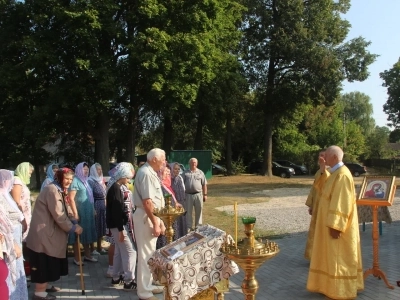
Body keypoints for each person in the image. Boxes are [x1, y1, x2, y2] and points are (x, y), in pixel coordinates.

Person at [306, 145, 364, 299]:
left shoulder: (342, 175)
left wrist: (336, 225)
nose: (325, 158)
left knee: (339, 257)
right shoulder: (334, 173)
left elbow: (342, 202)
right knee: (330, 257)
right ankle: (328, 286)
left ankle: (340, 290)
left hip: (337, 226)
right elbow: (319, 187)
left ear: (335, 157)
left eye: (327, 156)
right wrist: (322, 166)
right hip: (327, 223)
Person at [26, 168, 83, 300]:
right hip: (44, 234)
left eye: (70, 179)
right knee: (44, 261)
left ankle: (46, 285)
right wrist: (73, 228)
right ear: (59, 177)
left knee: (50, 261)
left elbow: (66, 208)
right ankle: (39, 292)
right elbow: (59, 214)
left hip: (49, 233)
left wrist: (74, 220)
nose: (69, 181)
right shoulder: (52, 190)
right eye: (66, 178)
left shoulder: (60, 190)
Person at [133, 148, 166, 300]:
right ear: (154, 159)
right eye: (163, 159)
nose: (164, 162)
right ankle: (144, 292)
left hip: (150, 216)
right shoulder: (146, 173)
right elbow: (147, 202)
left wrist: (159, 221)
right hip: (146, 217)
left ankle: (148, 285)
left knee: (150, 254)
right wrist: (155, 223)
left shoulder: (150, 172)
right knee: (146, 255)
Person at [106, 162, 137, 290]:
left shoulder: (114, 187)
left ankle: (116, 277)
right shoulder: (117, 188)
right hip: (118, 226)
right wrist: (120, 230)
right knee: (130, 252)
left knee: (119, 251)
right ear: (122, 175)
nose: (129, 179)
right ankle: (129, 281)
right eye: (128, 177)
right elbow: (117, 211)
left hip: (115, 225)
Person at [0, 169, 27, 300]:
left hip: (14, 234)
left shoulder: (6, 195)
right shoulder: (0, 197)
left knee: (17, 266)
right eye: (8, 180)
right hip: (8, 237)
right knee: (10, 267)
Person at [67, 162, 97, 265]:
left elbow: (90, 197)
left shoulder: (86, 181)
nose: (86, 171)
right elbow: (70, 198)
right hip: (80, 212)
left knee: (87, 233)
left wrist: (93, 209)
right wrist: (75, 213)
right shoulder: (75, 181)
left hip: (88, 212)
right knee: (78, 235)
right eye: (84, 169)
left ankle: (88, 256)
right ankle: (77, 258)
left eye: (87, 169)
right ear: (79, 169)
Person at [304, 150, 326, 260]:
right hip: (317, 206)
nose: (320, 158)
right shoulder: (318, 172)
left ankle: (322, 258)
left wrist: (324, 171)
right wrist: (311, 205)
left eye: (322, 156)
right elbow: (314, 190)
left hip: (325, 208)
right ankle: (314, 256)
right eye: (319, 156)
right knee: (316, 232)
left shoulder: (331, 172)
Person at [182, 158, 207, 231]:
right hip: (188, 195)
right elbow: (181, 183)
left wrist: (205, 194)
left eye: (195, 162)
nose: (193, 164)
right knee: (188, 211)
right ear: (189, 163)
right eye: (192, 162)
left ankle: (198, 226)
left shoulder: (200, 172)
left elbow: (204, 184)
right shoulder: (185, 172)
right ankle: (189, 226)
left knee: (199, 210)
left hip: (198, 195)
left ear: (197, 163)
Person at [11, 162, 34, 241]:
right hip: (20, 216)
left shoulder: (20, 182)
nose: (30, 176)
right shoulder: (17, 181)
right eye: (29, 173)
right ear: (23, 171)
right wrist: (22, 219)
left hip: (24, 214)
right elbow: (16, 202)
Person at [88, 163, 107, 255]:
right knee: (94, 226)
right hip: (95, 205)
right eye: (98, 170)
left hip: (102, 205)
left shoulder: (101, 180)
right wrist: (92, 208)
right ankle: (92, 248)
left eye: (100, 169)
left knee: (101, 226)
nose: (100, 171)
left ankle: (100, 247)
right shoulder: (90, 181)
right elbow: (89, 196)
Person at [170, 162, 188, 238]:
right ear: (171, 169)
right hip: (175, 204)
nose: (177, 171)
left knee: (183, 222)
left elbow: (184, 189)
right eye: (175, 169)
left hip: (182, 203)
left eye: (178, 169)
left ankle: (183, 237)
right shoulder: (169, 179)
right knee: (176, 224)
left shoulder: (180, 178)